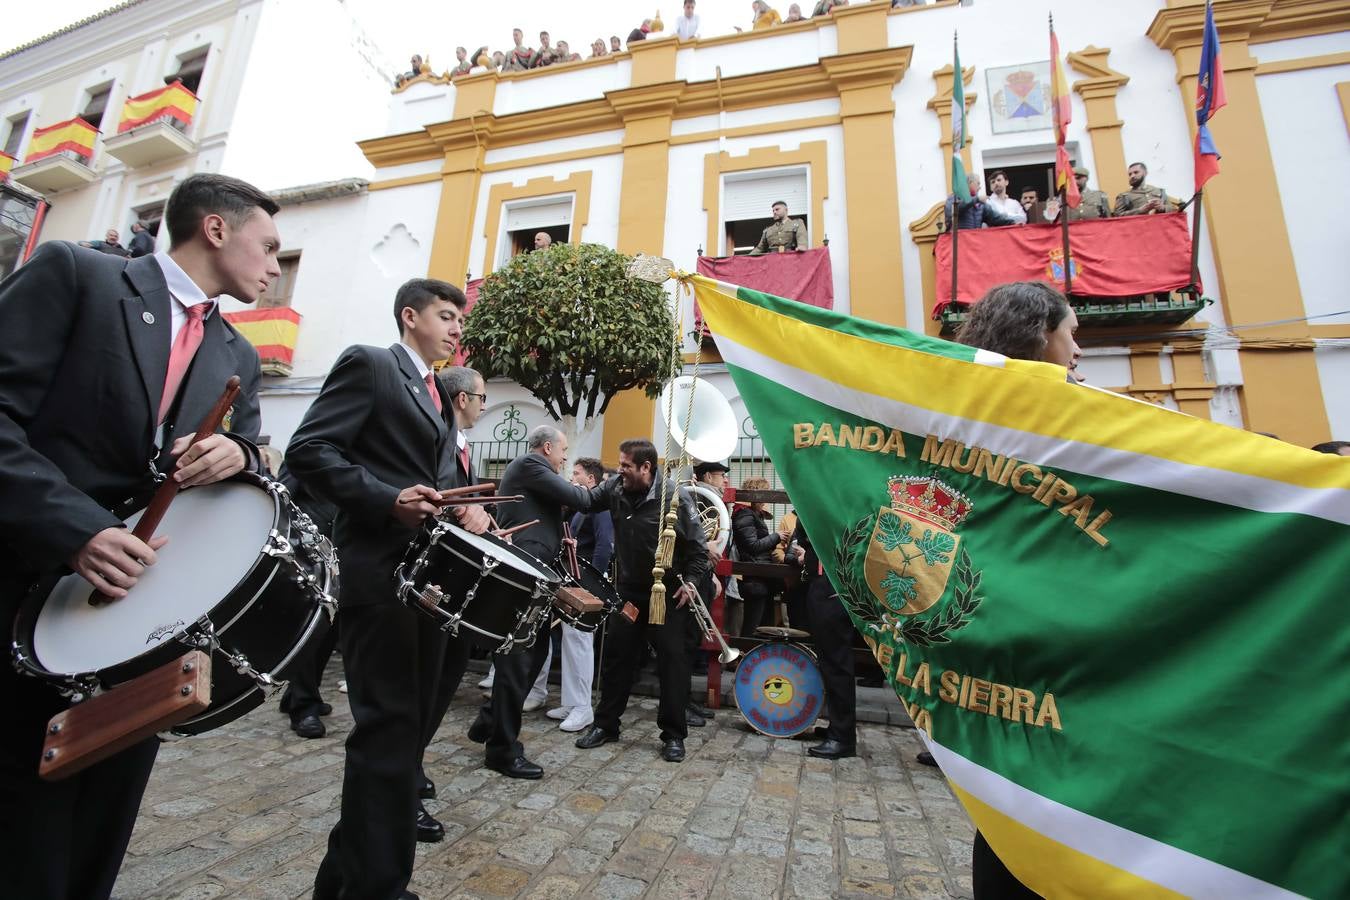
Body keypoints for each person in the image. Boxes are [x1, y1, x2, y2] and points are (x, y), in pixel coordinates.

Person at [0, 172, 279, 900]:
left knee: (104, 816)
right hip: (25, 592)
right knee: (22, 815)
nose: (277, 266)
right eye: (270, 246)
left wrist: (240, 456)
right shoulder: (78, 276)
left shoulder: (238, 356)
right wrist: (74, 529)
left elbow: (248, 461)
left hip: (142, 619)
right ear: (215, 229)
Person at [288, 278, 490, 898]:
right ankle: (380, 886)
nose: (458, 328)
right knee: (388, 735)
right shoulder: (371, 365)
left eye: (460, 319)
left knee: (403, 737)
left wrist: (456, 509)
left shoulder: (434, 395)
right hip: (379, 578)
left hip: (422, 583)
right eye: (445, 316)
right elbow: (309, 450)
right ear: (410, 316)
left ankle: (346, 881)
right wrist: (386, 499)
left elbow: (421, 482)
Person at [948, 280, 1080, 900]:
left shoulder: (961, 417)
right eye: (1071, 334)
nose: (1077, 350)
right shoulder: (1075, 418)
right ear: (1038, 336)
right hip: (1052, 642)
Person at [468, 425, 606, 776]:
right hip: (523, 574)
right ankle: (502, 748)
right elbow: (582, 499)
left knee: (536, 652)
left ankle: (489, 721)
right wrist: (619, 480)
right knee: (519, 657)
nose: (564, 459)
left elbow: (556, 511)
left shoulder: (535, 472)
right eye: (562, 452)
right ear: (547, 448)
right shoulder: (532, 465)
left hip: (535, 574)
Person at [575, 439, 712, 762]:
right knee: (617, 659)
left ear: (646, 468)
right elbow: (582, 500)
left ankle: (674, 735)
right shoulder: (614, 490)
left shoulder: (675, 497)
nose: (618, 471)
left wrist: (692, 582)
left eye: (625, 466)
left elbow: (698, 549)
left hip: (666, 593)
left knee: (672, 665)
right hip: (629, 592)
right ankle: (606, 725)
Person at [413, 364, 489, 838]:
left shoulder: (461, 446)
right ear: (462, 399)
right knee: (422, 686)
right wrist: (464, 509)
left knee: (446, 675)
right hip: (428, 580)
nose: (484, 405)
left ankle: (413, 762)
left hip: (455, 582)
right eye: (481, 397)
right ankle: (402, 783)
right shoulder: (435, 438)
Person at [540, 456, 613, 732]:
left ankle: (583, 707)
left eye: (578, 473)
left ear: (591, 480)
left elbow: (604, 546)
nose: (572, 476)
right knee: (571, 640)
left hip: (584, 583)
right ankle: (572, 703)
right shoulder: (578, 507)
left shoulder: (599, 508)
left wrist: (589, 586)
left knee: (580, 641)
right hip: (572, 580)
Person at [276, 463, 340, 740]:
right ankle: (304, 708)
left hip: (343, 550)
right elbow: (281, 498)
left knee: (331, 631)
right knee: (312, 630)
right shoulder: (310, 447)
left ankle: (297, 692)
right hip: (309, 555)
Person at [790, 521, 856, 759]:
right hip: (824, 578)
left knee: (836, 660)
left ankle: (842, 735)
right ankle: (838, 727)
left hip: (833, 580)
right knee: (830, 660)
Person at [732, 476, 788, 635]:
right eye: (764, 495)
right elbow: (753, 546)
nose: (766, 500)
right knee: (754, 627)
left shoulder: (748, 514)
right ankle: (747, 656)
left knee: (760, 626)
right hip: (755, 580)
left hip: (759, 579)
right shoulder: (746, 515)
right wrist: (776, 536)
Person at [946, 174, 1017, 231]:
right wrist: (976, 199)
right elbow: (953, 210)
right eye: (978, 183)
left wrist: (1013, 223)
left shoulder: (980, 204)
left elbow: (995, 219)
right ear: (970, 183)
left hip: (974, 241)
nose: (980, 187)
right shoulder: (955, 197)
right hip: (959, 242)